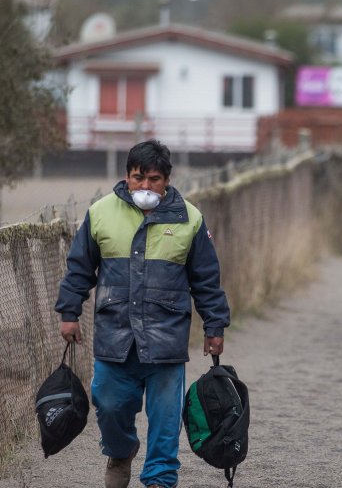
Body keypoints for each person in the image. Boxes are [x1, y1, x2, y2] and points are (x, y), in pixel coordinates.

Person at [55, 140, 231, 488]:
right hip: (114, 338)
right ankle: (120, 453)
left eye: (153, 179)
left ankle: (159, 480)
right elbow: (79, 268)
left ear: (167, 180)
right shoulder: (100, 213)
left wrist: (215, 325)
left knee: (165, 423)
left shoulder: (190, 220)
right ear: (127, 176)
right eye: (138, 178)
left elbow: (206, 280)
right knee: (108, 404)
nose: (145, 187)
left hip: (167, 343)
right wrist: (68, 312)